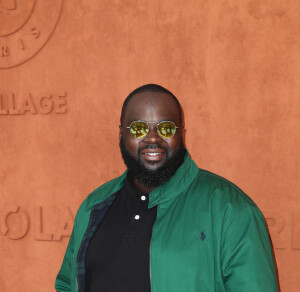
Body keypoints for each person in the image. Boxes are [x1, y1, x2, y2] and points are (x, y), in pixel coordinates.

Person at [55, 84, 279, 292]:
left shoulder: (231, 209)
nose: (153, 138)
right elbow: (66, 284)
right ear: (121, 134)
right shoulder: (94, 206)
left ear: (181, 134)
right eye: (139, 128)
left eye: (166, 128)